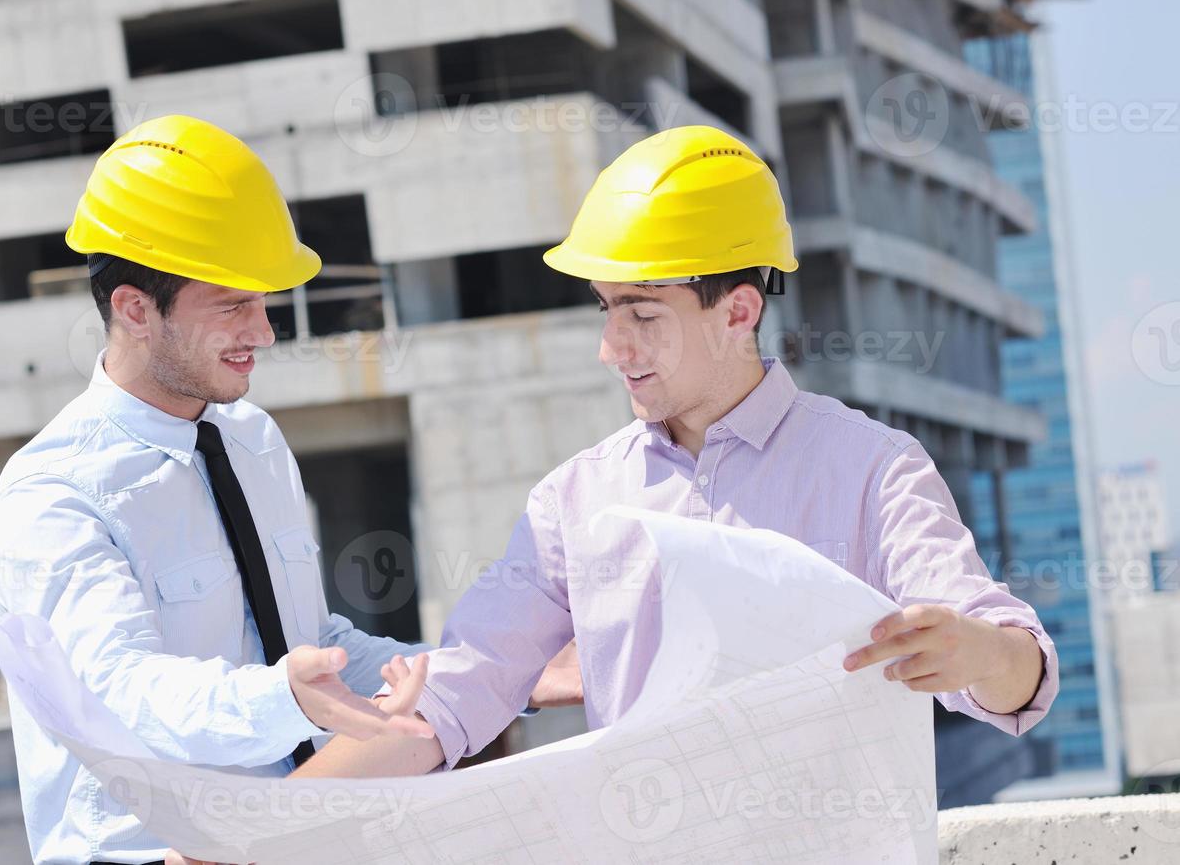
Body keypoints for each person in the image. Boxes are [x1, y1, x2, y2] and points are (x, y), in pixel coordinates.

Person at [292, 125, 1056, 781]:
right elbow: (454, 696)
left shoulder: (872, 470)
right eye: (605, 309)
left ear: (738, 311)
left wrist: (980, 654)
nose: (610, 347)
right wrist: (262, 830)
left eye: (641, 312)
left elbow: (1014, 669)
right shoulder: (575, 501)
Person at [0, 116, 573, 865]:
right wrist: (282, 700)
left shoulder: (253, 441)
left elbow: (313, 649)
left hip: (281, 838)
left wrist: (510, 673)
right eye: (233, 305)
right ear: (134, 309)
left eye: (264, 303)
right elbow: (122, 697)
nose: (264, 332)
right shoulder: (52, 493)